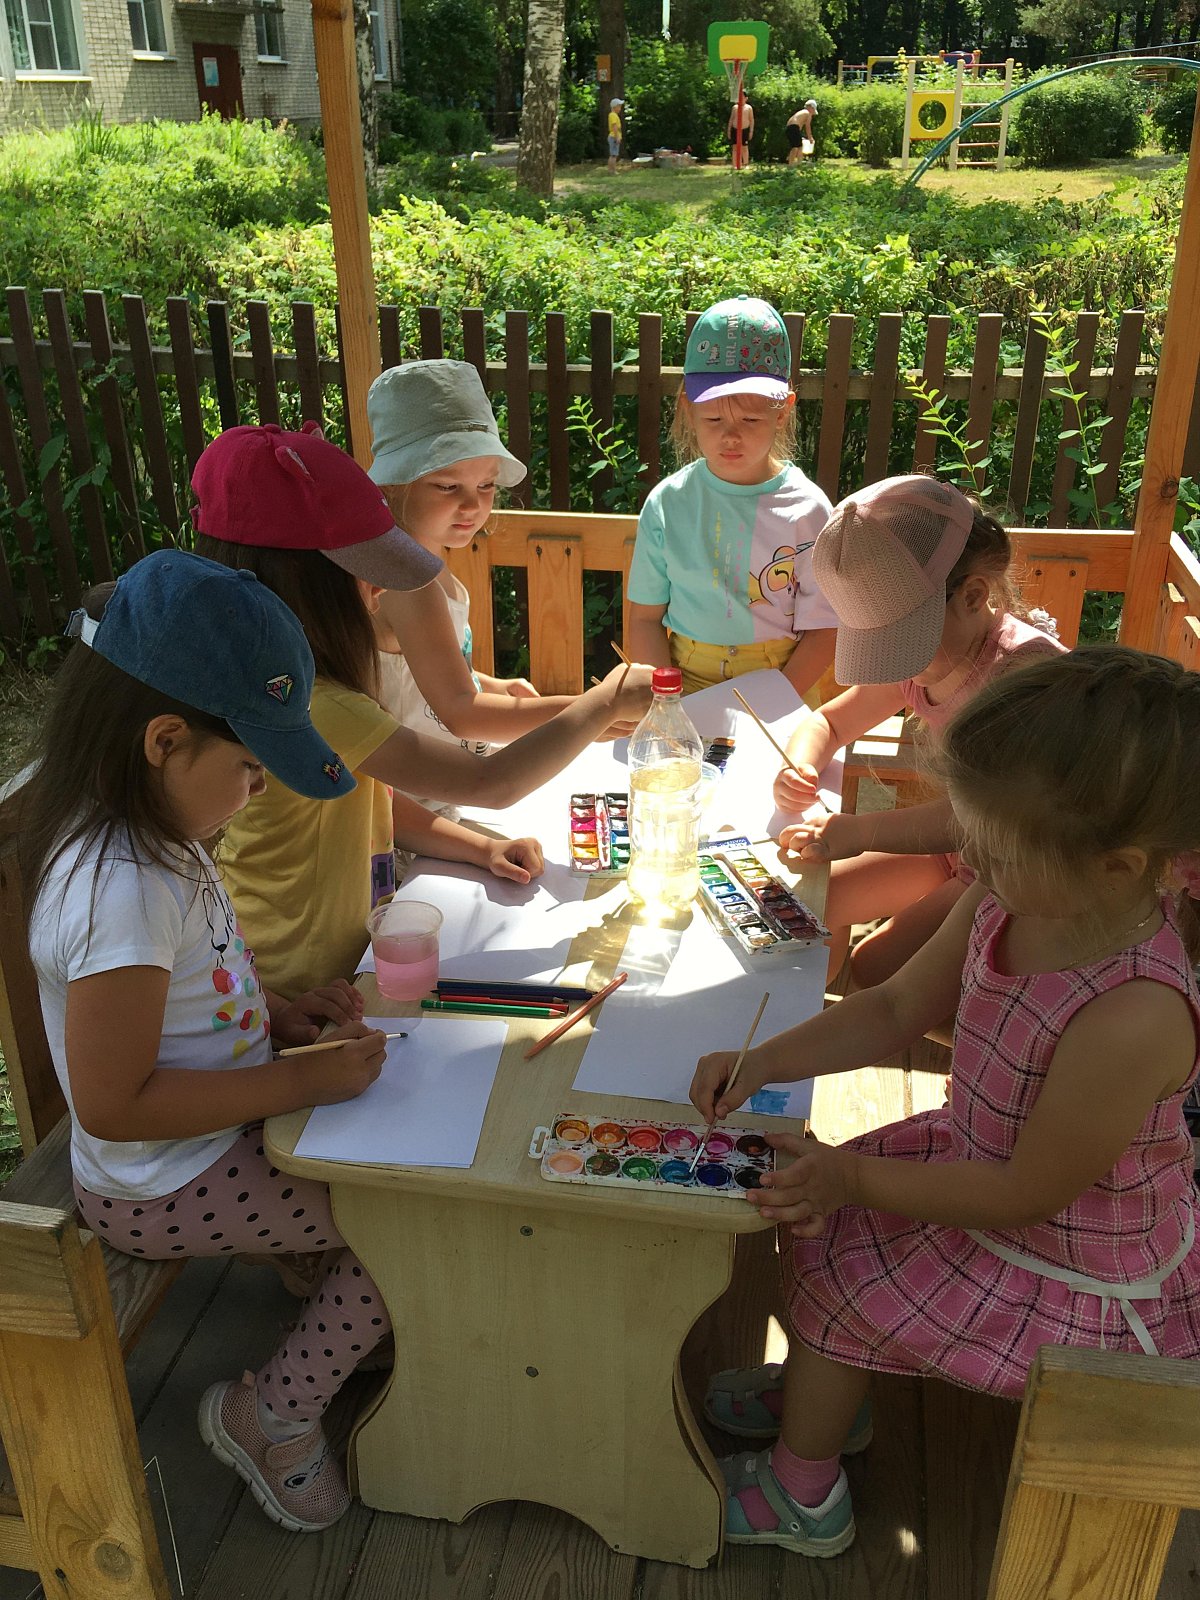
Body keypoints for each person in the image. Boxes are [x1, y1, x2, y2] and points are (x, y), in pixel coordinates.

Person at [693, 644, 1200, 1558]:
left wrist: (853, 1178)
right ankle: (826, 1400)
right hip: (982, 1168)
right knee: (829, 1241)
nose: (971, 857)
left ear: (1119, 868)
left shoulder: (1136, 1011)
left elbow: (1027, 1193)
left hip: (1067, 1254)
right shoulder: (1013, 899)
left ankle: (804, 1494)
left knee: (844, 1276)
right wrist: (762, 1060)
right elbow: (892, 1008)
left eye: (996, 846)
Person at [20, 548, 394, 1533]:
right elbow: (115, 1103)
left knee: (399, 1200)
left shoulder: (155, 834)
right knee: (407, 1234)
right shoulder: (120, 888)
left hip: (207, 1140)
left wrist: (281, 1014)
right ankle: (270, 1415)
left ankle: (325, 1298)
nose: (259, 789)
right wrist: (299, 1083)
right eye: (250, 766)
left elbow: (199, 984)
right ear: (165, 739)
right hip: (160, 1182)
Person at [191, 423, 652, 1000]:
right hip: (298, 980)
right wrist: (602, 702)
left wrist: (481, 848)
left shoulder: (279, 681)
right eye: (368, 569)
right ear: (308, 584)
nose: (380, 589)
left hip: (337, 959)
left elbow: (367, 799)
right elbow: (491, 782)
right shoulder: (315, 702)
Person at [772, 475, 1063, 986]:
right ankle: (801, 1012)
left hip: (1016, 872)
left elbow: (982, 818)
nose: (896, 660)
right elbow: (828, 721)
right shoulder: (925, 657)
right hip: (954, 848)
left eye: (904, 639)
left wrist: (861, 832)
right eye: (882, 641)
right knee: (811, 902)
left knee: (877, 969)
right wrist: (800, 764)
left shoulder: (1022, 679)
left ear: (972, 596)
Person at [366, 360, 591, 827]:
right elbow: (460, 713)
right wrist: (591, 710)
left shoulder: (422, 555)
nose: (472, 504)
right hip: (415, 804)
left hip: (448, 783)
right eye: (448, 486)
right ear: (394, 484)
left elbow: (417, 670)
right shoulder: (402, 578)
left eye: (486, 484)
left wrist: (489, 686)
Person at [626, 295, 837, 703]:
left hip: (782, 683)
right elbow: (645, 619)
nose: (731, 436)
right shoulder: (667, 503)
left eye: (751, 419)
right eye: (713, 418)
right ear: (688, 409)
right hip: (683, 685)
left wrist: (778, 699)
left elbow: (825, 627)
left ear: (782, 412)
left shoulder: (809, 509)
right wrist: (667, 703)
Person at [786, 100, 817, 165]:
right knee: (796, 147)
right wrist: (810, 137)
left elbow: (798, 126)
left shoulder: (802, 112)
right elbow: (807, 127)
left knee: (799, 146)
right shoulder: (808, 113)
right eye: (813, 110)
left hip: (789, 128)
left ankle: (798, 163)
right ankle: (791, 165)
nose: (812, 113)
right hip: (794, 127)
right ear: (811, 107)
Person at [727, 95, 754, 167]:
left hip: (745, 129)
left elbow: (751, 120)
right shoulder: (735, 107)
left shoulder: (749, 108)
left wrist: (751, 131)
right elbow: (731, 119)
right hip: (735, 129)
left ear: (746, 98)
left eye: (742, 97)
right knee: (735, 147)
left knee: (744, 147)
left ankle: (745, 164)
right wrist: (729, 130)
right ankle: (735, 164)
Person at [607, 97, 624, 173]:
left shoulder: (613, 115)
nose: (620, 108)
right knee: (614, 155)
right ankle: (613, 170)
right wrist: (617, 137)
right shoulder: (613, 115)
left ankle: (611, 170)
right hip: (614, 136)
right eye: (619, 106)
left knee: (613, 154)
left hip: (614, 136)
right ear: (615, 107)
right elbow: (614, 126)